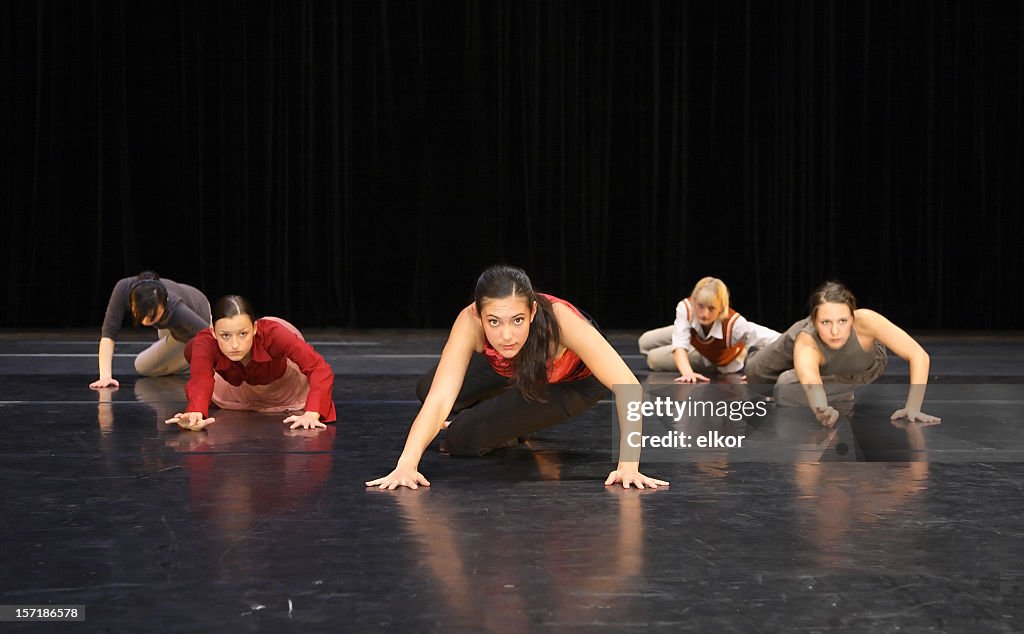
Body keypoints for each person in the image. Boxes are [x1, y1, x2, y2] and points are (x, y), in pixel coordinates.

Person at [366, 264, 669, 490]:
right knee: (427, 387)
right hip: (512, 367)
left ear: (533, 312)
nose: (506, 335)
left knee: (461, 438)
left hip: (572, 382)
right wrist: (406, 464)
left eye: (518, 320)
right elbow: (440, 396)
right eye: (494, 322)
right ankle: (507, 417)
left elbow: (629, 387)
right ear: (479, 316)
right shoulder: (469, 321)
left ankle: (508, 422)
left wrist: (629, 464)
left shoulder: (559, 322)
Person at [745, 281, 940, 427]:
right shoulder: (807, 340)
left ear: (852, 317)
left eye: (843, 321)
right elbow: (812, 383)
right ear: (814, 320)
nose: (835, 332)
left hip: (861, 366)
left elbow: (918, 355)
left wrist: (913, 407)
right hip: (808, 341)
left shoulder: (866, 320)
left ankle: (840, 387)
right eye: (826, 322)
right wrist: (821, 405)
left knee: (784, 390)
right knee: (754, 372)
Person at [165, 295, 336, 431]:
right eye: (225, 335)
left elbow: (318, 367)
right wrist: (195, 412)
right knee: (192, 348)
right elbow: (200, 379)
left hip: (284, 384)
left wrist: (312, 413)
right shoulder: (205, 341)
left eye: (243, 334)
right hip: (238, 387)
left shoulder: (274, 334)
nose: (235, 345)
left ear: (254, 329)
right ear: (214, 332)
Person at [638, 277, 780, 382]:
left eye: (711, 308)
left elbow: (778, 340)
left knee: (653, 359)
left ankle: (739, 350)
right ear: (694, 301)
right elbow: (680, 342)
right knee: (644, 341)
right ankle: (690, 342)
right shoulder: (686, 308)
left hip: (718, 357)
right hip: (695, 335)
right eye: (700, 306)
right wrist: (687, 372)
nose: (705, 314)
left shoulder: (735, 324)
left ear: (721, 308)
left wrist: (757, 371)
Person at [89, 271, 212, 388]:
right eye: (141, 315)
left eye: (153, 317)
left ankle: (194, 361)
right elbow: (108, 334)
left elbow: (210, 336)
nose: (146, 322)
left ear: (164, 304)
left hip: (198, 317)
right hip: (171, 321)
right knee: (161, 338)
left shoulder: (177, 310)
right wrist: (105, 377)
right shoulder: (123, 289)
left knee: (143, 365)